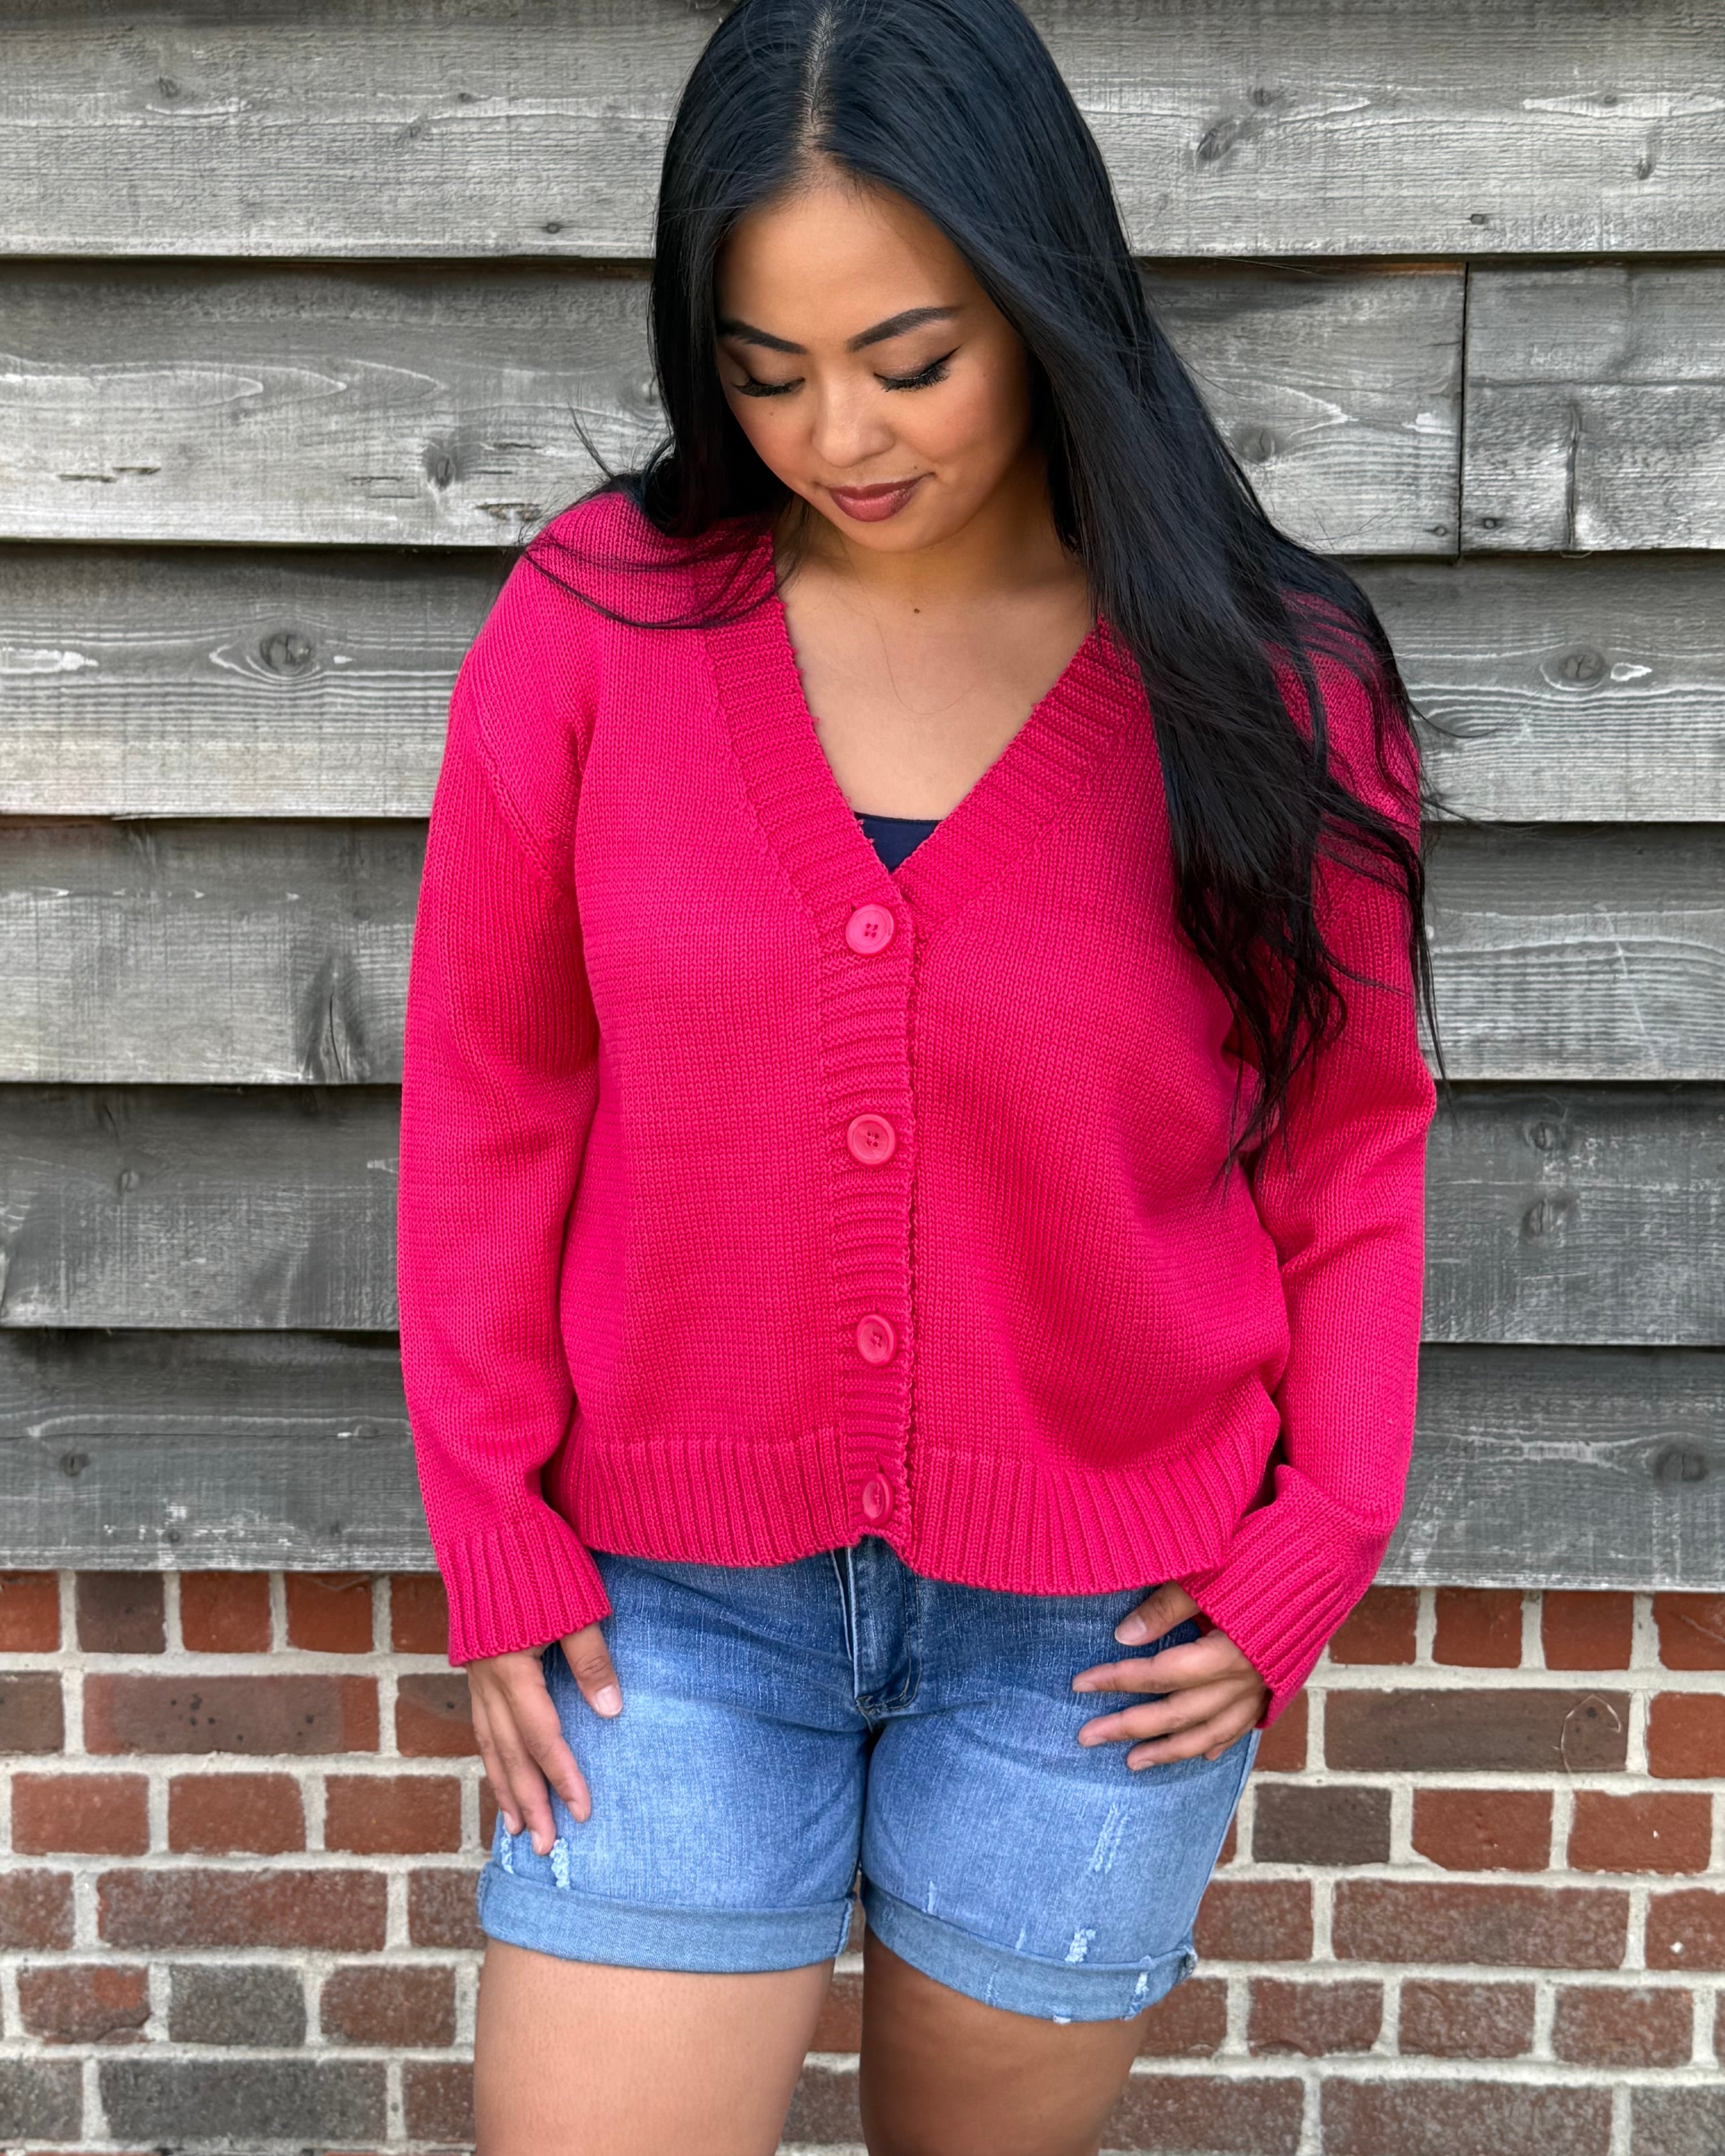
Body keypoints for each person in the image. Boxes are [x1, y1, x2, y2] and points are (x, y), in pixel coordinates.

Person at [395, 0, 1440, 2148]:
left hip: (1095, 1630)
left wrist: (1315, 1537)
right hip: (660, 1612)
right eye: (765, 372)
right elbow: (491, 1096)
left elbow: (1350, 1145)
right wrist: (489, 1524)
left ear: (1045, 296)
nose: (836, 432)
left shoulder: (1266, 679)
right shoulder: (597, 625)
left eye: (910, 357)